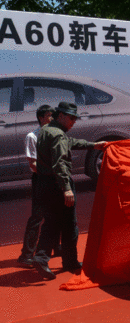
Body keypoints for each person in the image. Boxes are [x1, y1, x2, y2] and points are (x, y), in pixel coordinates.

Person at [32, 102, 106, 280]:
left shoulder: (48, 130)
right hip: (58, 184)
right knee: (68, 224)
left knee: (54, 222)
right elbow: (60, 164)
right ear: (61, 116)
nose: (74, 121)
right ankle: (56, 259)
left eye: (75, 118)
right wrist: (66, 189)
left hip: (45, 183)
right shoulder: (57, 135)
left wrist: (93, 145)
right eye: (71, 117)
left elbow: (70, 142)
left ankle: (57, 259)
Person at [17, 105, 61, 267]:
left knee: (56, 214)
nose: (53, 119)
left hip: (54, 178)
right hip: (42, 180)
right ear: (41, 117)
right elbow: (33, 164)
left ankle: (56, 247)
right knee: (37, 217)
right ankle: (26, 254)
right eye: (50, 116)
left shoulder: (55, 134)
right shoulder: (32, 136)